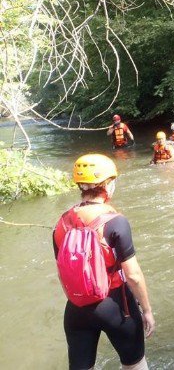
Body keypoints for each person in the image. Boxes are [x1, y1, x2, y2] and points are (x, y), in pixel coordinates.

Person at [53, 154, 154, 369]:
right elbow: (133, 276)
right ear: (107, 185)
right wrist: (147, 311)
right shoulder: (116, 222)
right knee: (134, 365)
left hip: (75, 309)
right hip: (116, 306)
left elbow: (62, 273)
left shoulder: (61, 223)